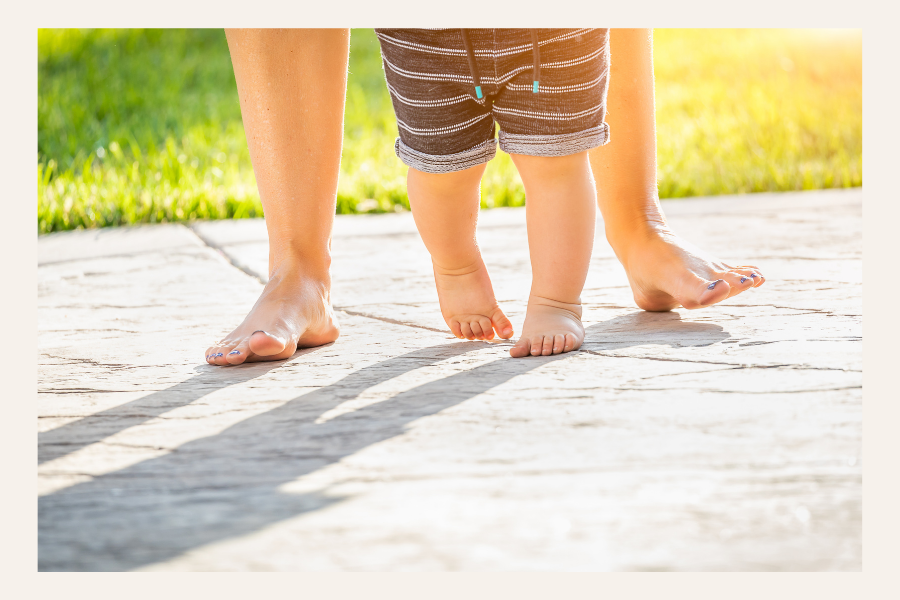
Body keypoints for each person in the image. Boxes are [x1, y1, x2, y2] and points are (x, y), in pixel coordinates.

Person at [205, 28, 764, 366]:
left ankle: (560, 297)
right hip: (427, 33)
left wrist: (557, 307)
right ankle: (449, 269)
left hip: (552, 32)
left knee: (558, 161)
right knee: (440, 170)